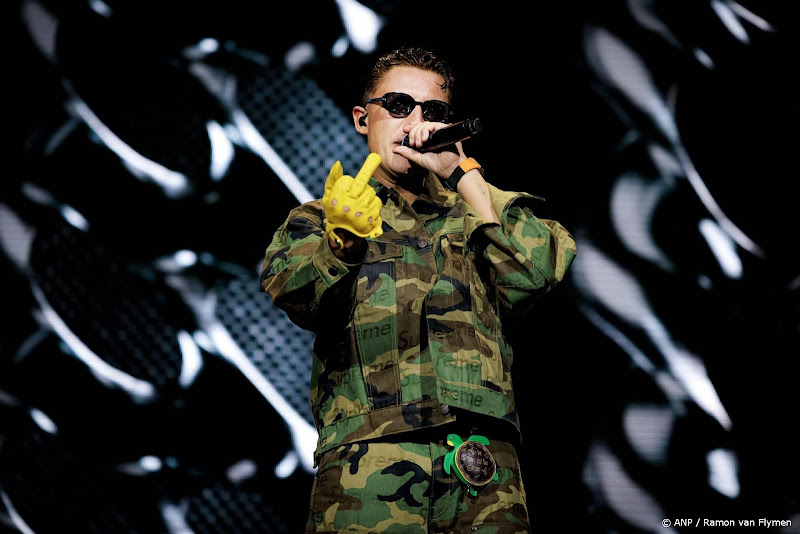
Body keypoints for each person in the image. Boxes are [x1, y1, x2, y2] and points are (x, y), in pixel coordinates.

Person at [260, 45, 576, 534]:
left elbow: (535, 277)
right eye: (399, 106)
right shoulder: (319, 219)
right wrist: (342, 243)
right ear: (363, 119)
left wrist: (463, 175)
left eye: (433, 112)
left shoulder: (476, 208)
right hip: (369, 467)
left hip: (485, 470)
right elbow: (295, 295)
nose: (416, 122)